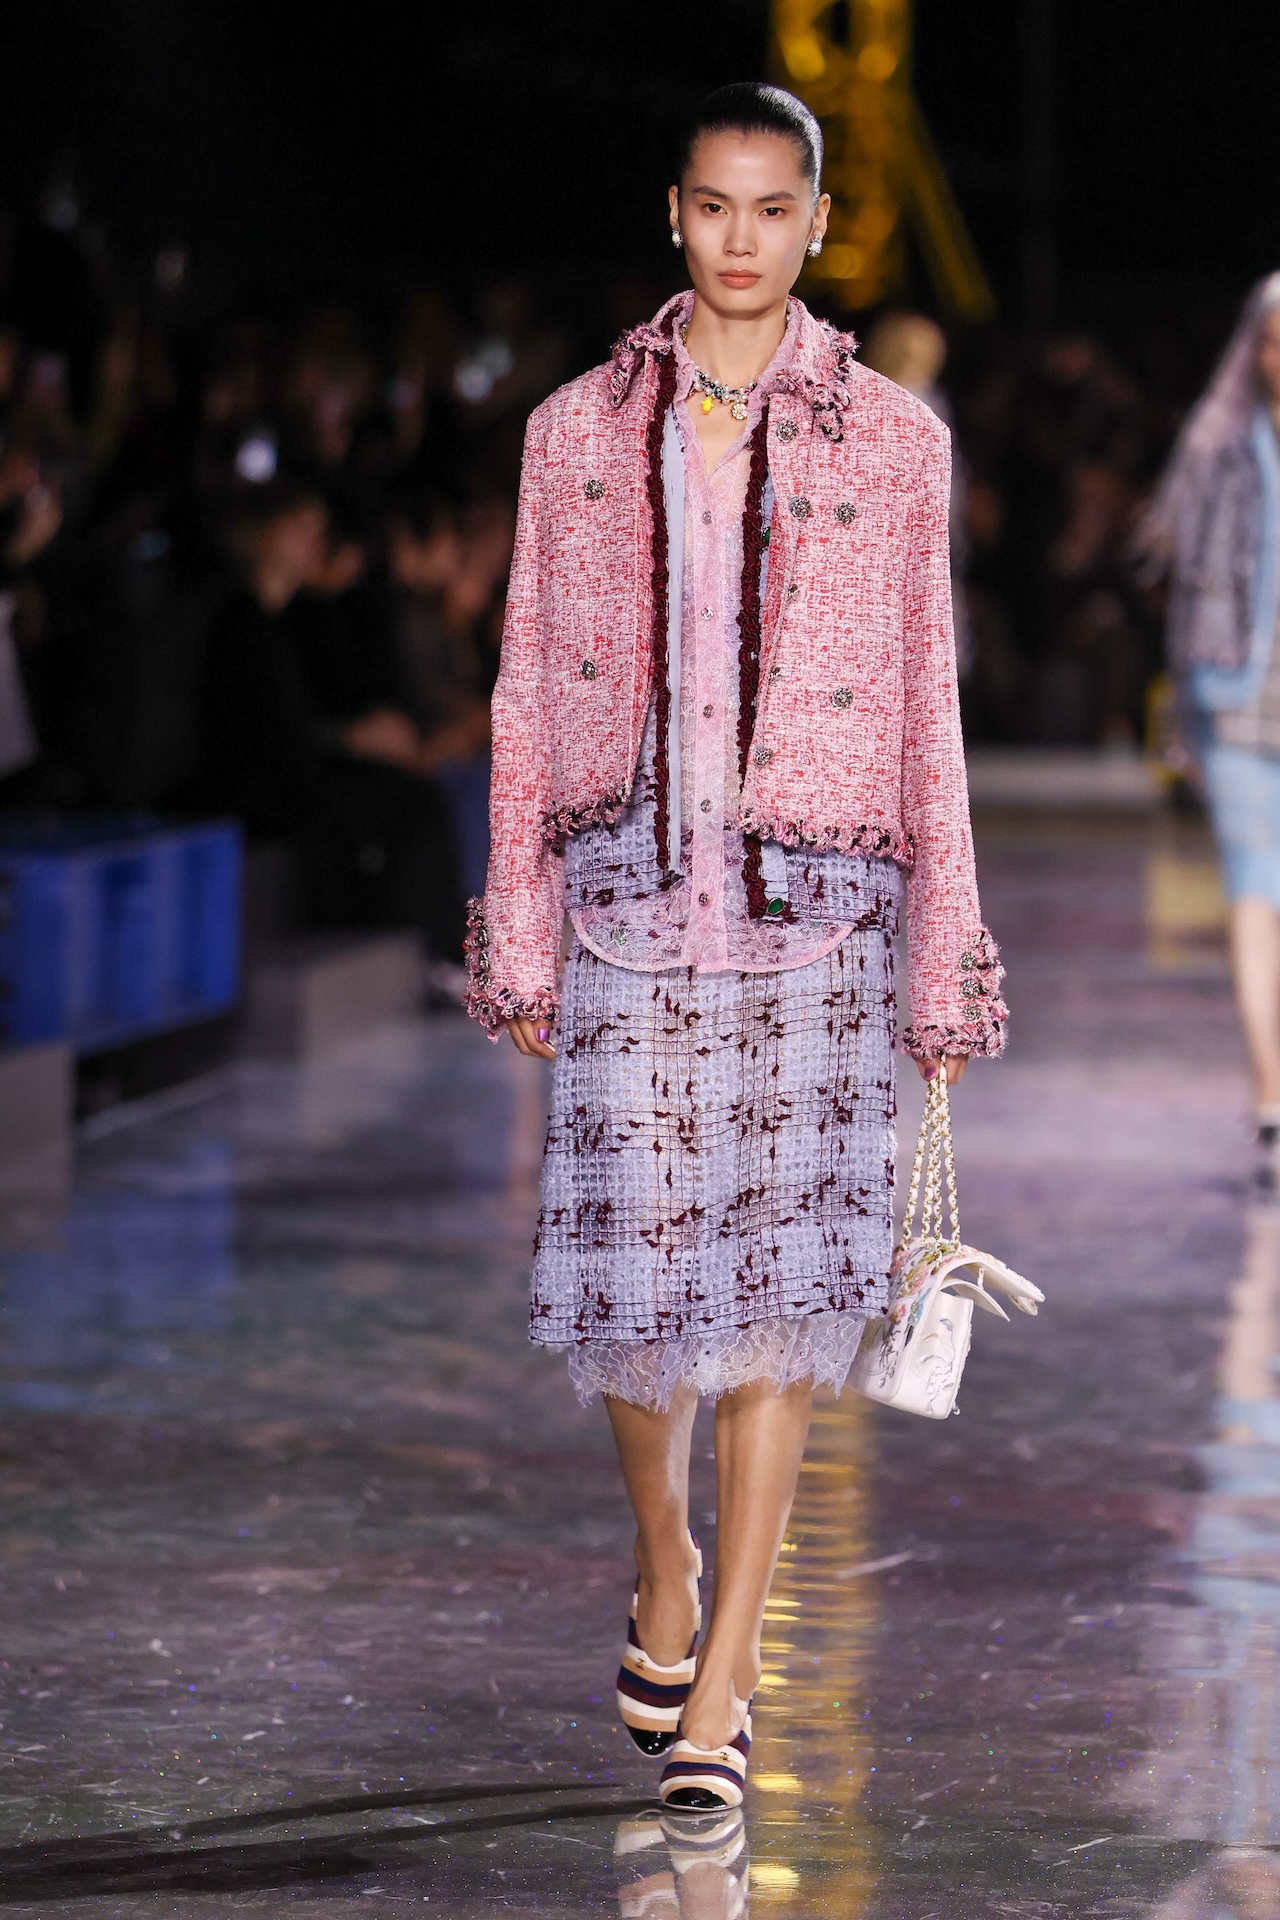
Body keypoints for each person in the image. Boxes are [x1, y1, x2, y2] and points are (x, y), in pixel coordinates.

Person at [465, 82, 1006, 1810]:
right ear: (676, 215)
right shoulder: (571, 434)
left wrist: (942, 952)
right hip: (627, 910)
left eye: (777, 209)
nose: (745, 238)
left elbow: (929, 703)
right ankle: (667, 1566)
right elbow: (526, 690)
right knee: (633, 1297)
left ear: (818, 222)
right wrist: (523, 927)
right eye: (716, 207)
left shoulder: (895, 443)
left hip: (816, 921)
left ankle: (727, 1676)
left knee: (780, 1306)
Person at [199, 478, 465, 965]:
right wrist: (350, 740)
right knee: (407, 804)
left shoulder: (284, 619)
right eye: (300, 528)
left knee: (415, 796)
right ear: (265, 535)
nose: (313, 543)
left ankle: (430, 949)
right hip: (264, 785)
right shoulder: (239, 623)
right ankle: (428, 954)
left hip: (301, 771)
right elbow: (264, 734)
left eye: (318, 530)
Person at [1137, 275, 1280, 1178]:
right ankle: (1271, 1090)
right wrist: (1183, 716)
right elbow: (1188, 591)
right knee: (1252, 885)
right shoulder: (1220, 445)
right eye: (1270, 339)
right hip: (1236, 694)